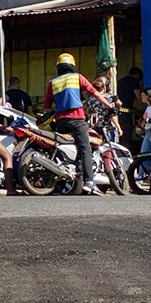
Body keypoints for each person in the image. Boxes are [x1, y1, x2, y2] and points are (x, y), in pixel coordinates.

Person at [43, 53, 115, 196]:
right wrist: (110, 106)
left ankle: (63, 183)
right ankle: (89, 182)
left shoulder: (53, 82)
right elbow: (95, 94)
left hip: (61, 121)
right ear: (72, 66)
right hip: (77, 119)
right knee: (85, 150)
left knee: (63, 150)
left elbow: (47, 106)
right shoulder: (77, 77)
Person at [87, 76, 122, 142]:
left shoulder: (90, 99)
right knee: (110, 148)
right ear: (104, 87)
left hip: (93, 127)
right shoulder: (107, 98)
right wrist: (119, 127)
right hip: (106, 127)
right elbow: (112, 113)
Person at [117, 66, 143, 150]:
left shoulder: (120, 81)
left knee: (119, 135)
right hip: (125, 113)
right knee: (126, 135)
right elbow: (139, 97)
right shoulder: (134, 82)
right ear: (138, 74)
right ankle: (126, 155)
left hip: (117, 112)